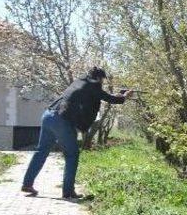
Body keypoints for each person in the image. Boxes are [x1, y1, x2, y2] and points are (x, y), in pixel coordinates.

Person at [21, 67, 133, 199]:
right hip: (61, 121)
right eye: (102, 80)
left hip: (48, 116)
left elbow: (97, 95)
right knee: (72, 155)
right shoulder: (93, 85)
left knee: (41, 151)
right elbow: (109, 98)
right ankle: (68, 192)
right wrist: (124, 97)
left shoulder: (79, 81)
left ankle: (27, 184)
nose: (101, 83)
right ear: (98, 78)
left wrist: (117, 95)